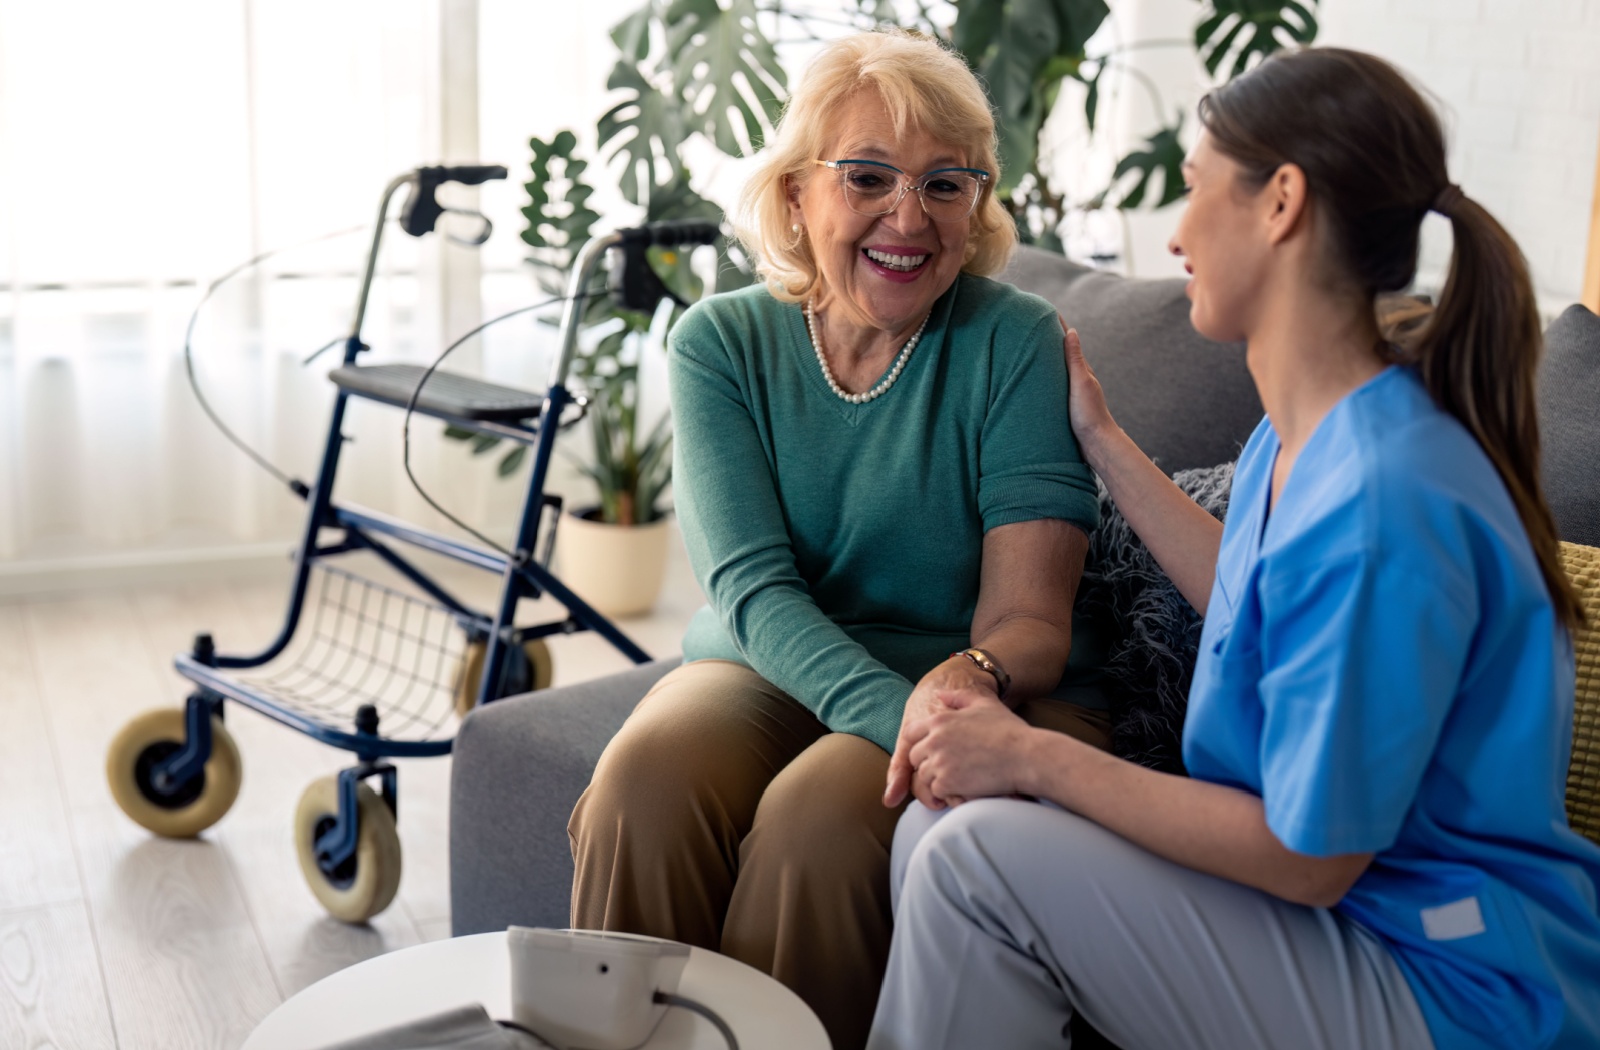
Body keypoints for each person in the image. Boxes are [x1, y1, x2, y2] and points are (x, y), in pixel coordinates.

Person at [869, 47, 1600, 1050]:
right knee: (938, 827)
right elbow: (1262, 602)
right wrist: (1101, 436)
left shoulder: (1390, 499)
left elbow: (1310, 857)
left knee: (972, 860)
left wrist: (1031, 756)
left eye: (1193, 188)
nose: (1173, 234)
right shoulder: (1302, 436)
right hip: (1343, 930)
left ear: (1280, 202)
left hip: (1449, 987)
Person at [566, 29, 1113, 1050]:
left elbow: (1029, 621)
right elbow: (754, 594)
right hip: (775, 661)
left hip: (978, 685)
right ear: (794, 196)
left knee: (815, 829)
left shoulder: (1014, 342)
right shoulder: (720, 342)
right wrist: (891, 712)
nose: (909, 217)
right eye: (867, 176)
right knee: (641, 780)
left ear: (977, 207)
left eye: (947, 185)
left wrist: (948, 698)